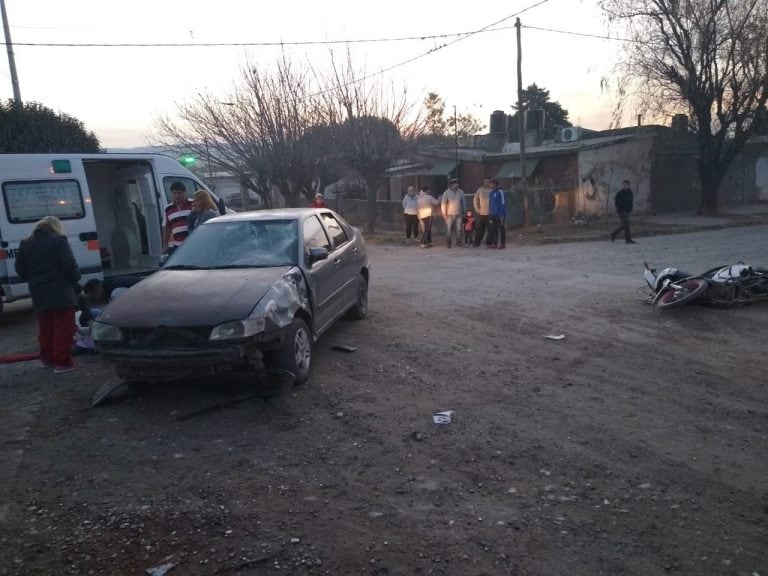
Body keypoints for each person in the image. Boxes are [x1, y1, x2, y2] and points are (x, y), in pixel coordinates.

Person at [14, 216, 81, 373]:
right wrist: (75, 281)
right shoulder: (59, 240)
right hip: (60, 289)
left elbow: (20, 269)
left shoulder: (25, 243)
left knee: (46, 327)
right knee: (64, 326)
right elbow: (69, 265)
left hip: (38, 290)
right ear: (56, 227)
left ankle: (47, 358)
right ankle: (63, 362)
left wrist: (33, 280)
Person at [163, 181, 193, 255]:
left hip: (193, 244)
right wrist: (165, 246)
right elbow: (166, 229)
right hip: (177, 246)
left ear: (185, 192)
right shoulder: (168, 209)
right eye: (174, 193)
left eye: (179, 193)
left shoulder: (193, 204)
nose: (177, 195)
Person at [441, 178, 466, 248]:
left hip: (459, 213)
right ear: (452, 185)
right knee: (449, 229)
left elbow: (463, 202)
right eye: (455, 183)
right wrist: (444, 213)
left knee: (458, 229)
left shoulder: (461, 192)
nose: (457, 184)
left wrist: (464, 211)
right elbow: (443, 204)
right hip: (449, 214)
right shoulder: (446, 193)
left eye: (457, 183)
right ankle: (448, 243)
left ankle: (459, 242)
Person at [487, 178, 507, 249]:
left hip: (500, 214)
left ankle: (503, 244)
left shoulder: (500, 192)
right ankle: (494, 244)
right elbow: (490, 204)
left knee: (501, 228)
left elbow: (503, 203)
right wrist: (490, 213)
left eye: (491, 184)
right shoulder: (491, 193)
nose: (489, 185)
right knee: (494, 229)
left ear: (495, 184)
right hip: (493, 214)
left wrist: (501, 214)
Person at [473, 177, 492, 247]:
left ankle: (489, 243)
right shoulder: (480, 190)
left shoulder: (492, 190)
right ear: (483, 182)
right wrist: (477, 209)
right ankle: (476, 243)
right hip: (481, 214)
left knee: (490, 229)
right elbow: (475, 199)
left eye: (488, 182)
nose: (487, 183)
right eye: (485, 181)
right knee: (479, 229)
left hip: (489, 213)